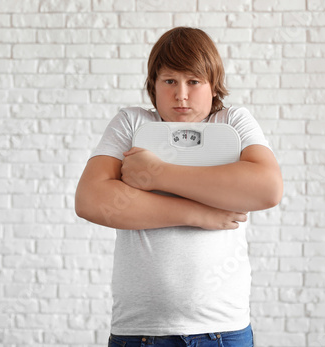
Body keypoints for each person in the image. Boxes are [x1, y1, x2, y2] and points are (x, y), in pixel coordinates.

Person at [75, 27, 283, 347]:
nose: (181, 94)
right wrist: (200, 214)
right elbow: (91, 200)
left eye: (194, 81)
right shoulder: (132, 123)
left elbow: (267, 188)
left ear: (213, 86)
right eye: (170, 81)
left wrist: (157, 173)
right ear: (153, 85)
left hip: (223, 331)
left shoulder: (232, 122)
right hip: (140, 332)